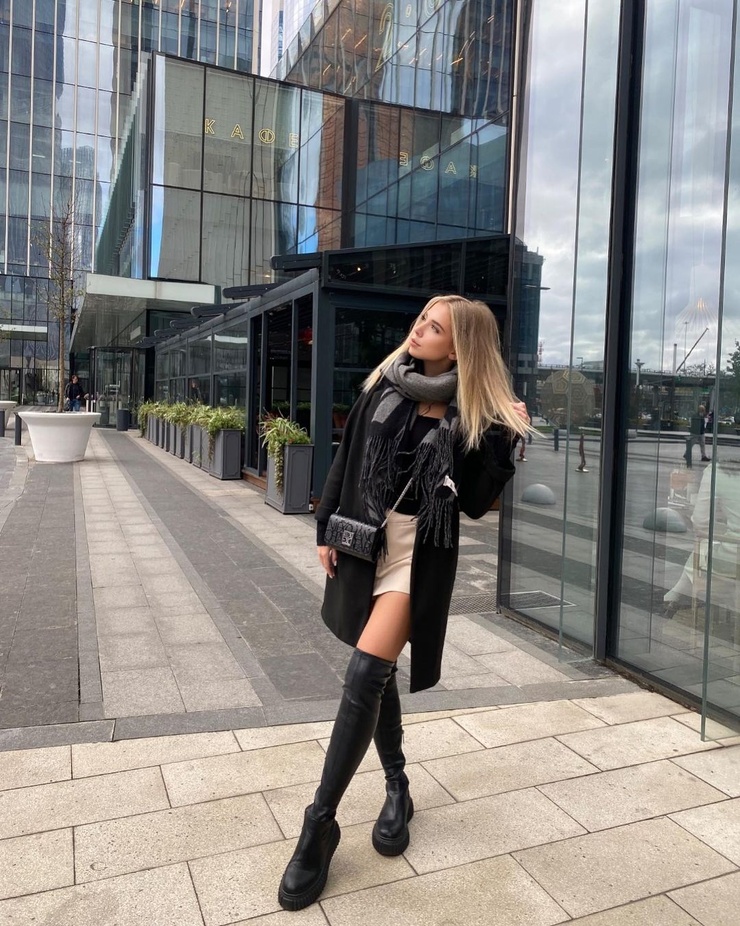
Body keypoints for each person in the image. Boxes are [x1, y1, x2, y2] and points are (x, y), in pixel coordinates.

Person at [277, 295, 530, 911]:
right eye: (421, 320)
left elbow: (475, 503)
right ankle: (398, 786)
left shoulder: (476, 413)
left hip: (418, 553)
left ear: (460, 347)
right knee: (379, 672)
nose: (418, 330)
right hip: (366, 541)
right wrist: (324, 526)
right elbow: (346, 457)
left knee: (365, 672)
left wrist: (505, 443)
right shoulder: (384, 382)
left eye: (433, 327)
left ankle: (319, 824)